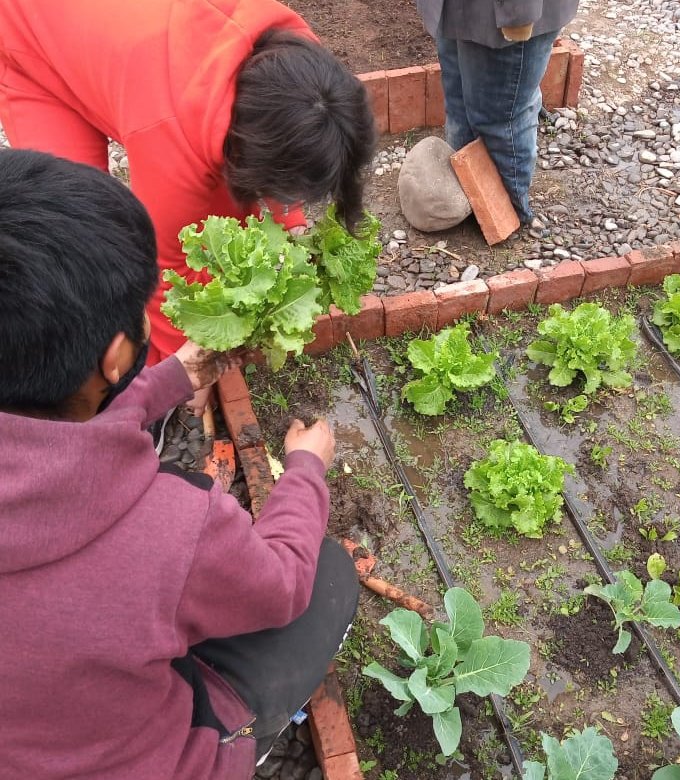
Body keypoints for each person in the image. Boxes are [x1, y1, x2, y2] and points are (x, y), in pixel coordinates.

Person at [0, 148, 359, 780]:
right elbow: (280, 585)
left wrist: (169, 380)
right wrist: (305, 471)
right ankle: (245, 744)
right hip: (147, 763)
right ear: (117, 356)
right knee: (327, 576)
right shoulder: (172, 528)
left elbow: (51, 428)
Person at [0, 0, 376, 380]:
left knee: (222, 223)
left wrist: (289, 219)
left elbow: (285, 135)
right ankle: (121, 384)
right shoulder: (168, 136)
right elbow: (165, 272)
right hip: (30, 41)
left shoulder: (300, 66)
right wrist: (183, 375)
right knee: (80, 237)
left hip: (119, 46)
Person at [416, 0, 579, 231]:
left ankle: (508, 214)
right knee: (460, 105)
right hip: (459, 10)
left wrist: (518, 14)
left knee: (502, 118)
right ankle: (471, 202)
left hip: (502, 17)